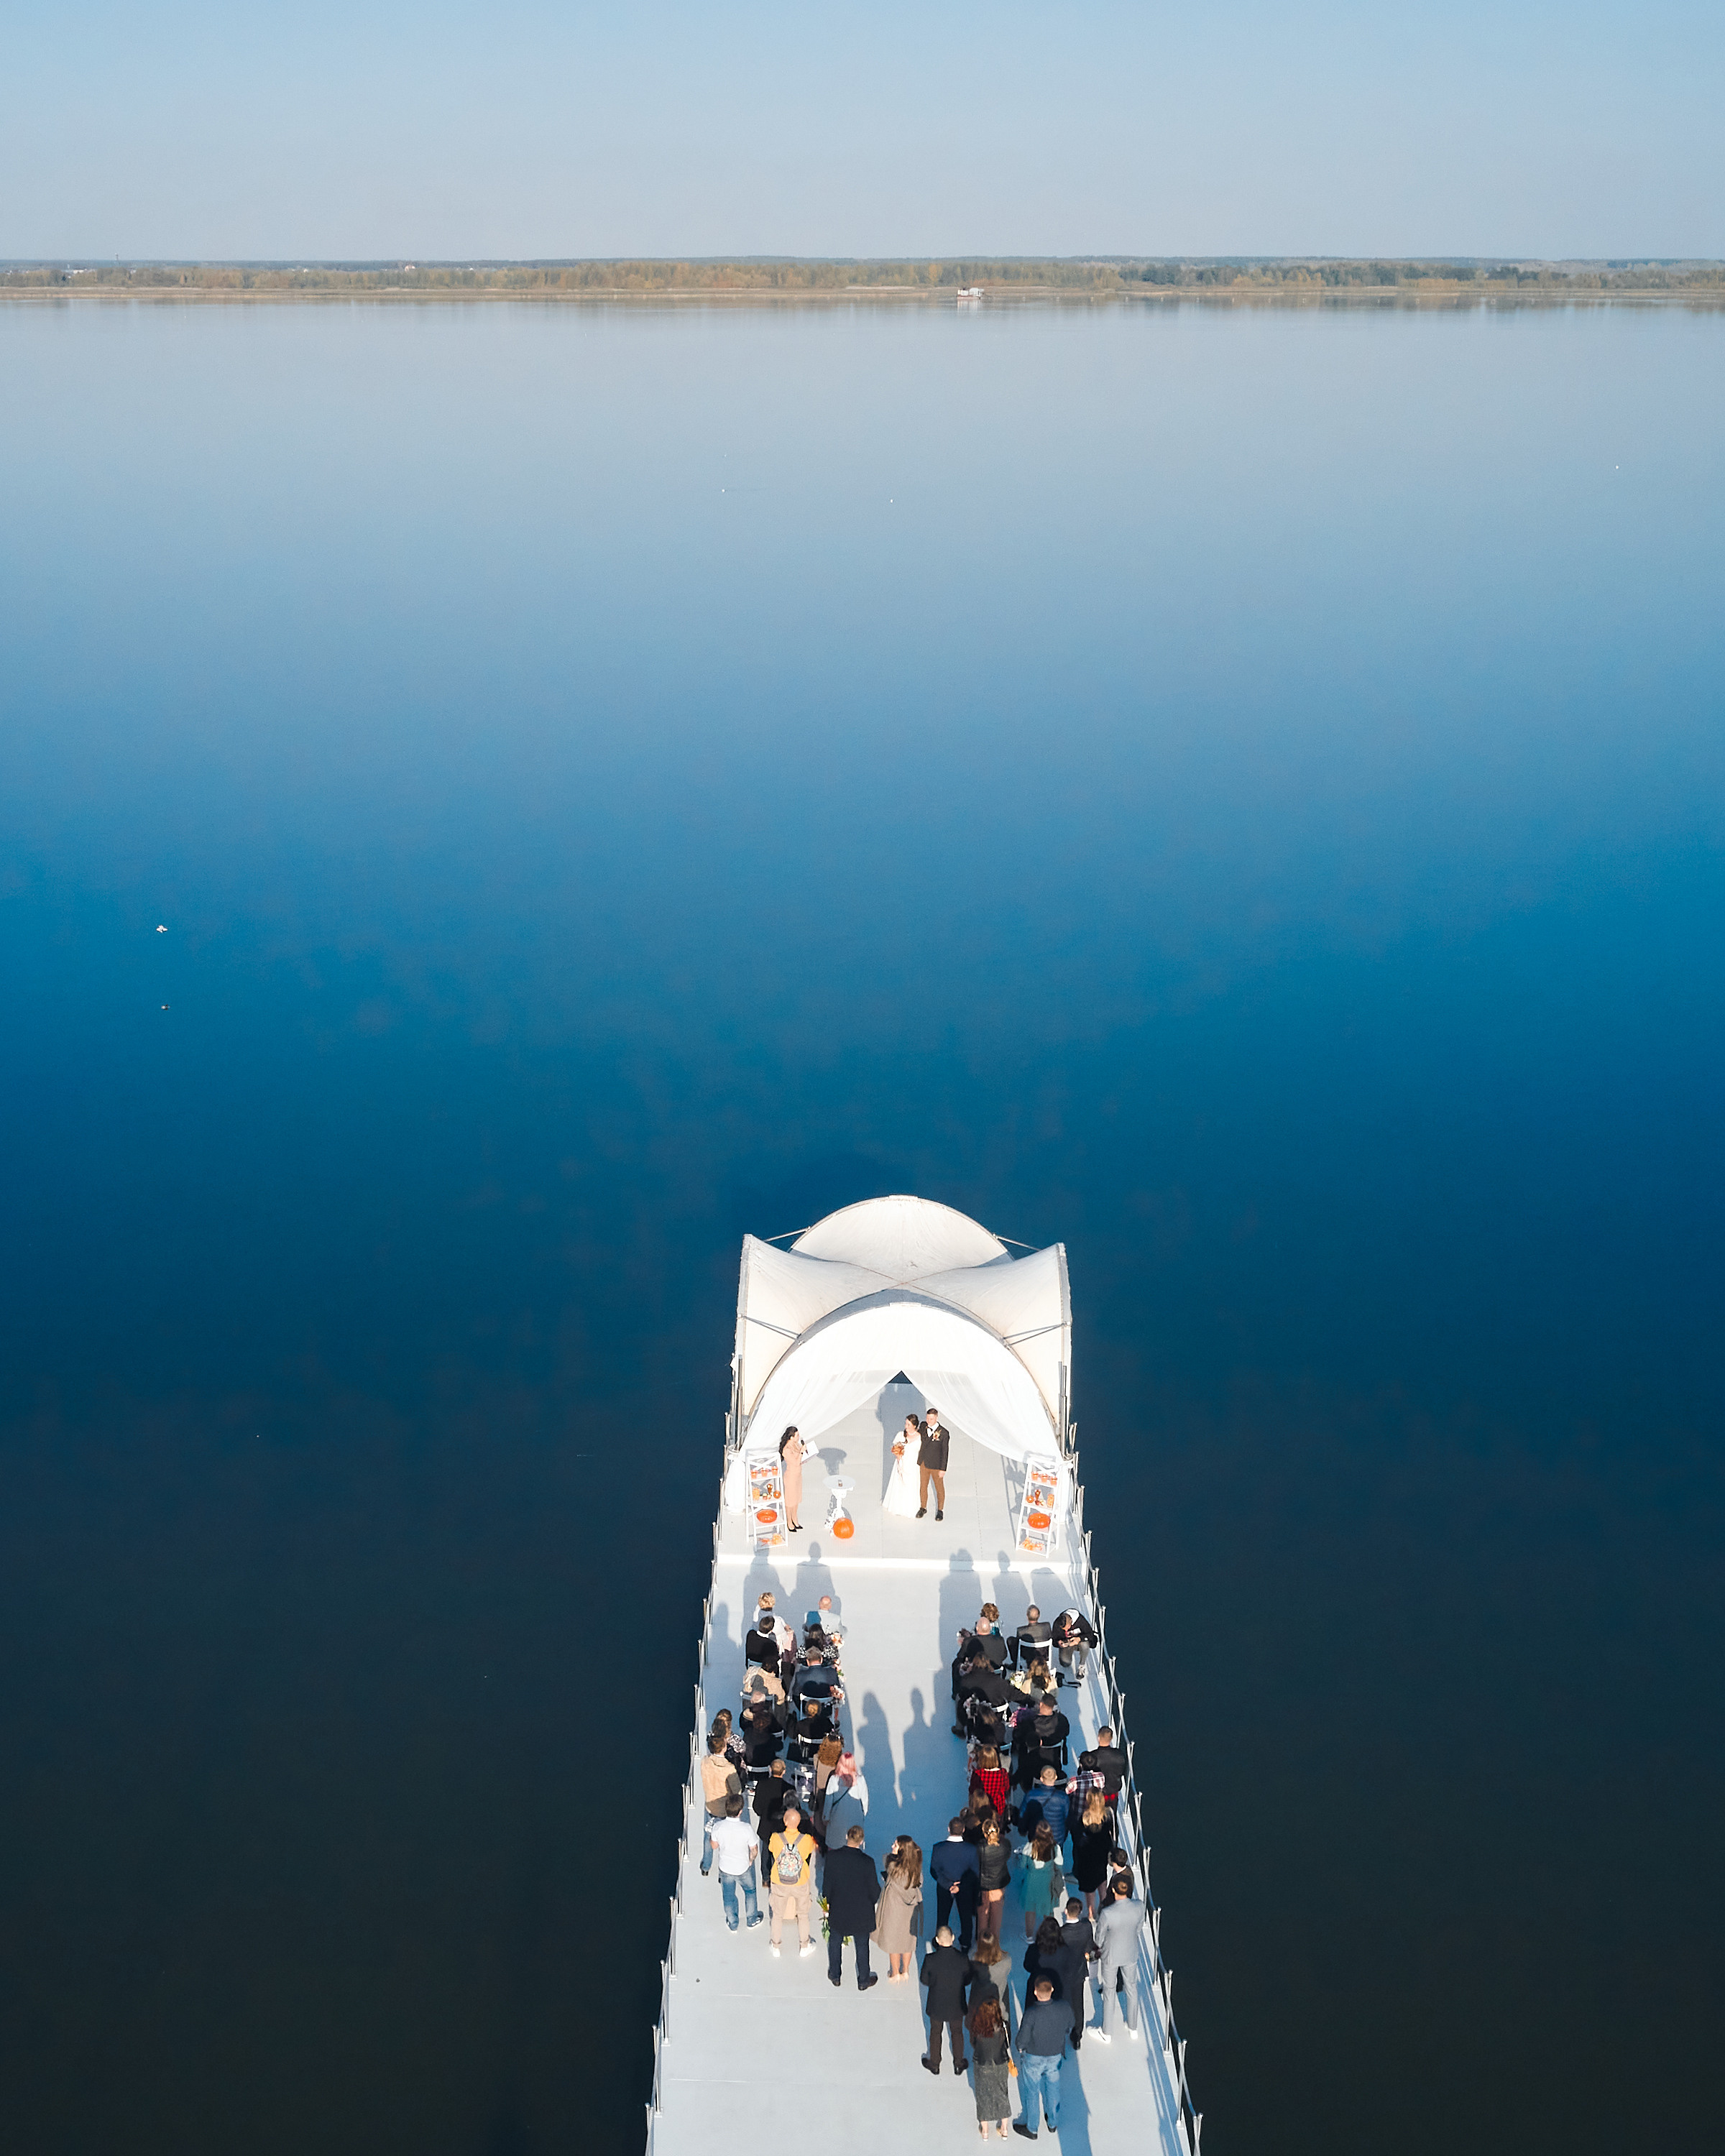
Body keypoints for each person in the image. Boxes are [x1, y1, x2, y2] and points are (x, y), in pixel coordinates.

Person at [823, 1824, 882, 1991]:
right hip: (861, 1912)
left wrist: (828, 1902)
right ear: (862, 1841)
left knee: (835, 1942)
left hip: (839, 1909)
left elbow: (826, 1887)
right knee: (862, 1946)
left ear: (846, 1837)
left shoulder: (833, 1858)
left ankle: (835, 1975)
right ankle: (863, 1980)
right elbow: (874, 1890)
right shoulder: (867, 1862)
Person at [1090, 1876, 1146, 2044]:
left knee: (1109, 1991)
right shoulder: (1139, 1906)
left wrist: (1098, 1948)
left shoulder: (1108, 1913)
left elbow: (1099, 1939)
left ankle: (1106, 2033)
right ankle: (1133, 2027)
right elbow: (1138, 1927)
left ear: (1113, 1890)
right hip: (1130, 1953)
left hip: (1111, 1955)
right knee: (1132, 1988)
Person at [1013, 1974, 1070, 2139]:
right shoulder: (1063, 2007)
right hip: (1055, 2055)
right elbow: (1070, 2024)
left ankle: (1032, 2128)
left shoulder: (1031, 2013)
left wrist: (1021, 2048)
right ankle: (1052, 2123)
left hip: (1034, 2057)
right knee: (1053, 2087)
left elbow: (1022, 2039)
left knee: (1032, 2090)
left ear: (1035, 1992)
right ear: (1052, 1990)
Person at [1024, 1915, 1085, 2054]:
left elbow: (1027, 1966)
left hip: (1038, 1990)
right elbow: (1070, 1969)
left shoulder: (1034, 1949)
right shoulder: (1065, 1950)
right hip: (1059, 1990)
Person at [765, 1802, 820, 1958]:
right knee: (803, 1915)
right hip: (800, 1881)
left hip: (779, 1881)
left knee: (777, 1915)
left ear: (785, 1821)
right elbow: (809, 1853)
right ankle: (804, 1945)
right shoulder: (807, 1839)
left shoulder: (776, 1838)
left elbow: (771, 1850)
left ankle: (776, 1946)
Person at [919, 1925, 975, 2076]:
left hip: (936, 2004)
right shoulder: (962, 1959)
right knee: (957, 2032)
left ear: (937, 1940)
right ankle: (958, 2063)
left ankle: (935, 2064)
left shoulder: (930, 1959)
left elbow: (924, 1980)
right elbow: (968, 1979)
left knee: (935, 2032)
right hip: (956, 2003)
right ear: (953, 1938)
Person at [709, 1793, 765, 1932]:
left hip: (725, 1868)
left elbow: (714, 1846)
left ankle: (733, 1922)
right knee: (750, 1892)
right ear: (740, 1811)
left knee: (728, 1896)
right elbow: (754, 1849)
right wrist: (751, 1860)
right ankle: (751, 1919)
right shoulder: (746, 1828)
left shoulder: (718, 1827)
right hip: (743, 1867)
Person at [874, 1835, 924, 1980]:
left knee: (894, 1942)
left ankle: (895, 1973)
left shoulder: (892, 1867)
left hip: (893, 1909)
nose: (892, 1847)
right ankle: (906, 1971)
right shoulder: (916, 1869)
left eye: (895, 1845)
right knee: (908, 1941)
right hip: (910, 1910)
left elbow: (886, 1857)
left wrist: (895, 1855)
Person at [967, 1991, 1013, 2139]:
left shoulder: (976, 2026)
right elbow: (1007, 2043)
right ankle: (1004, 2129)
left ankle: (985, 2131)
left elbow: (973, 2043)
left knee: (982, 2095)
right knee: (1002, 2093)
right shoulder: (1003, 2026)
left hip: (982, 2063)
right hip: (1000, 2062)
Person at [930, 1816, 981, 1950]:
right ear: (963, 1830)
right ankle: (965, 1942)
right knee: (965, 1916)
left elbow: (934, 1870)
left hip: (944, 1887)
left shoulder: (938, 1848)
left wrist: (948, 1885)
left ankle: (940, 1941)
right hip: (964, 1888)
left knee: (942, 1916)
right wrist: (960, 1886)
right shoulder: (971, 1849)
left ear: (948, 1829)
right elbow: (975, 1872)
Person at [698, 1730, 742, 1876]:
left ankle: (706, 1866)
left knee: (708, 1837)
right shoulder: (729, 1769)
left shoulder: (705, 1761)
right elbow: (738, 1791)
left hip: (710, 1806)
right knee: (725, 1842)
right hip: (725, 1810)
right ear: (723, 1748)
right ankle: (722, 1872)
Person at [1069, 1789, 1118, 1918]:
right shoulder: (1108, 1814)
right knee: (1102, 1881)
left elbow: (1078, 1840)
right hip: (1102, 1854)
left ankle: (1091, 1915)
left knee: (1089, 1889)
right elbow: (1112, 1833)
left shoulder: (1084, 1818)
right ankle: (1105, 1908)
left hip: (1087, 1858)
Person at [1020, 1823, 1064, 1939]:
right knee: (1048, 1908)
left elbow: (1022, 1865)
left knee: (1030, 1908)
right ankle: (1049, 1933)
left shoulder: (1029, 1847)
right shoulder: (1055, 1848)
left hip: (1031, 1881)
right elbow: (1059, 1865)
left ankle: (1029, 1936)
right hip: (1048, 1881)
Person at [1059, 1897, 1098, 2032]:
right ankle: (1077, 2034)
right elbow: (1089, 1945)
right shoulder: (1087, 1926)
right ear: (1080, 1912)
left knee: (1064, 2000)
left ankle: (1064, 2026)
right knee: (1078, 2003)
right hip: (1079, 1971)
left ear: (1065, 1911)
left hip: (1063, 1973)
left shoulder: (1061, 1933)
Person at [752, 1759, 792, 1880]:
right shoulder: (789, 1788)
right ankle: (777, 1875)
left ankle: (765, 1877)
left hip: (766, 1823)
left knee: (765, 1850)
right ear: (784, 1772)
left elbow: (757, 1807)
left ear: (770, 1769)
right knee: (780, 1851)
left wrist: (763, 1814)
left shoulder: (762, 1785)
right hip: (782, 1826)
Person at [975, 1815, 1011, 1951]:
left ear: (984, 1833)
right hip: (999, 1885)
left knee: (983, 1917)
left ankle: (982, 1945)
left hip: (984, 1886)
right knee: (996, 1917)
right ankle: (995, 1944)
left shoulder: (980, 1848)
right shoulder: (1005, 1845)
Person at [1020, 1765, 1070, 1853]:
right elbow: (1067, 1818)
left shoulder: (1031, 1795)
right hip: (1057, 1837)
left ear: (1041, 1779)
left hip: (1036, 1835)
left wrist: (1023, 1830)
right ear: (1056, 1777)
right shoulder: (1063, 1797)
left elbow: (1023, 1815)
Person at [884, 1413, 922, 1518]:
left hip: (913, 1467)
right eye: (906, 1424)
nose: (906, 1427)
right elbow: (895, 1447)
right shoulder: (901, 1435)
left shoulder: (920, 1438)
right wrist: (898, 1456)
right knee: (899, 1484)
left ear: (915, 1426)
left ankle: (909, 1507)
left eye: (909, 1425)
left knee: (910, 1486)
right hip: (901, 1464)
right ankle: (898, 1506)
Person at [916, 1407, 951, 1519]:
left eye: (931, 1419)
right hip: (924, 1463)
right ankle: (923, 1507)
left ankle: (940, 1510)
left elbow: (945, 1452)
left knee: (939, 1488)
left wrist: (943, 1469)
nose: (929, 1421)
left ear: (936, 1418)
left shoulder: (944, 1433)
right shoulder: (923, 1426)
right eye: (927, 1418)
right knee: (923, 1486)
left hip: (936, 1466)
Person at [1076, 1727, 1127, 1802]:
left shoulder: (1092, 1757)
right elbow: (1123, 1771)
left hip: (1097, 1793)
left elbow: (1081, 1773)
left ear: (1098, 1738)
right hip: (1114, 1792)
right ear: (1111, 1738)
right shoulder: (1120, 1755)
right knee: (1112, 1812)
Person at [1049, 1609, 1096, 1687]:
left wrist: (1079, 1639)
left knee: (1085, 1645)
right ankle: (1067, 1656)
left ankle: (1082, 1666)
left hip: (1079, 1642)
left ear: (1071, 1621)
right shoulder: (1058, 1623)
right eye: (1064, 1630)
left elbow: (1091, 1635)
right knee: (1065, 1663)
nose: (1066, 1630)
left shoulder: (1081, 1621)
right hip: (1068, 1645)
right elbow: (1054, 1641)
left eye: (1067, 1628)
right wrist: (1059, 1643)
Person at [779, 1426, 808, 1533]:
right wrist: (801, 1452)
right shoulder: (787, 1450)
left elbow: (799, 1460)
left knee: (796, 1499)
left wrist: (804, 1454)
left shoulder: (796, 1444)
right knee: (790, 1500)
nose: (798, 1437)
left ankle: (795, 1519)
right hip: (791, 1477)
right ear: (791, 1437)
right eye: (797, 1435)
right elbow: (795, 1462)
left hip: (798, 1476)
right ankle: (789, 1521)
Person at [1009, 1605, 1052, 1672]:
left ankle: (1016, 1662)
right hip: (1043, 1654)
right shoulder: (1046, 1626)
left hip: (1028, 1656)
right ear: (1039, 1616)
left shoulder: (1021, 1631)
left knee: (1011, 1640)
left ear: (1027, 1617)